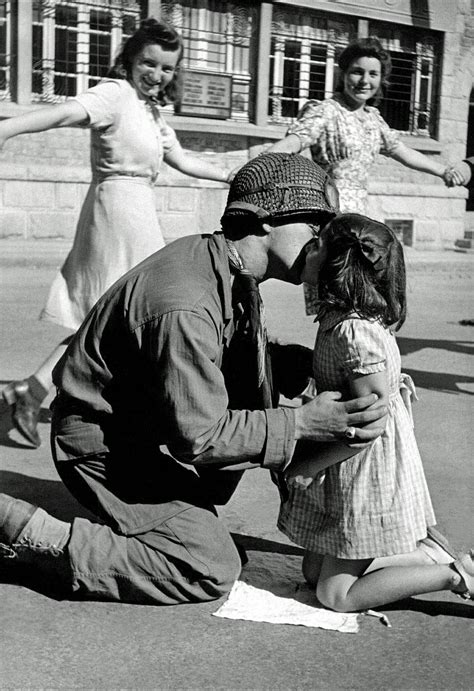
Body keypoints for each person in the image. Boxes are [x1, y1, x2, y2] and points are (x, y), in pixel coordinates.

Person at [0, 152, 391, 606]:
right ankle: (29, 533)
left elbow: (243, 356)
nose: (321, 244)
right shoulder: (185, 301)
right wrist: (302, 424)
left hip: (143, 429)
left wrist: (333, 368)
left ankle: (164, 522)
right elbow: (201, 438)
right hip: (103, 444)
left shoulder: (225, 265)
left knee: (211, 516)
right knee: (208, 566)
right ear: (266, 220)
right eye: (314, 228)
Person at [1, 18, 233, 448]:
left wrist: (230, 177)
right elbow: (64, 113)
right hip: (113, 211)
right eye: (149, 63)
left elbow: (181, 160)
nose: (157, 74)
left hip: (139, 211)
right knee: (114, 313)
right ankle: (60, 398)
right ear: (129, 59)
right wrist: (7, 128)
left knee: (115, 315)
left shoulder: (152, 111)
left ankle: (32, 392)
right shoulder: (115, 95)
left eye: (167, 68)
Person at [277, 213, 474, 611]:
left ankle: (455, 575)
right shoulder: (342, 317)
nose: (306, 250)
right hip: (355, 456)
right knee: (314, 572)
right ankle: (426, 554)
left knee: (333, 595)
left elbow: (371, 423)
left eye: (317, 246)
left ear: (337, 267)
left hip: (366, 465)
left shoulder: (354, 332)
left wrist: (307, 466)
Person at [268, 37, 456, 314]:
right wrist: (263, 163)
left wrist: (443, 170)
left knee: (362, 299)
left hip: (361, 223)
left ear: (381, 79)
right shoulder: (326, 112)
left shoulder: (373, 119)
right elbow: (294, 141)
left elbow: (402, 151)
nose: (364, 80)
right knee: (332, 301)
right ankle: (329, 354)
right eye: (357, 71)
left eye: (373, 74)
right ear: (343, 73)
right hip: (331, 219)